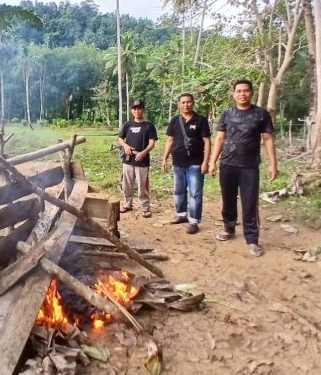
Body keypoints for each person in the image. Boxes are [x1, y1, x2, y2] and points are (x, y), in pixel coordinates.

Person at [208, 79, 278, 257]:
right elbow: (220, 139)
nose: (242, 94)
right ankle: (229, 228)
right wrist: (212, 162)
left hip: (249, 166)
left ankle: (252, 239)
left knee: (249, 202)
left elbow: (268, 139)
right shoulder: (227, 114)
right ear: (234, 94)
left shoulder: (261, 114)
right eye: (238, 91)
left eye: (246, 91)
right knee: (228, 199)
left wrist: (273, 164)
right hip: (228, 164)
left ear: (251, 93)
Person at [161, 93, 211, 234]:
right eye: (183, 102)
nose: (186, 105)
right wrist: (165, 158)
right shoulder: (175, 121)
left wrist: (206, 162)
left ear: (193, 103)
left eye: (188, 102)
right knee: (179, 191)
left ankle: (194, 221)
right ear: (179, 104)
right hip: (178, 163)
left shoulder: (201, 120)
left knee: (195, 193)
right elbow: (170, 141)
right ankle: (182, 214)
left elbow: (207, 142)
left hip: (195, 163)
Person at [118, 99, 157, 218]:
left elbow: (152, 143)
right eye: (134, 108)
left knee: (142, 185)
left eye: (139, 108)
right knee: (127, 184)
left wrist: (144, 153)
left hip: (142, 160)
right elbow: (120, 139)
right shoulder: (127, 124)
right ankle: (128, 203)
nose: (137, 111)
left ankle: (145, 207)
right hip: (128, 160)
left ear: (143, 110)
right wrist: (125, 146)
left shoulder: (149, 126)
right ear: (131, 111)